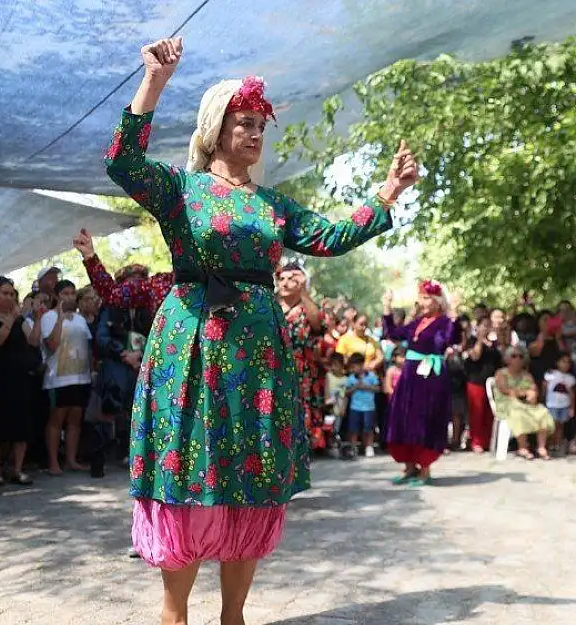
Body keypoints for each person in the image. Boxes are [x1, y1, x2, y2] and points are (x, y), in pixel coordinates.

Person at [108, 37, 417, 625]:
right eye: (241, 122)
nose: (253, 133)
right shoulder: (182, 190)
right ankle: (174, 614)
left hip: (255, 348)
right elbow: (122, 162)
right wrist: (154, 81)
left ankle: (234, 616)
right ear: (214, 129)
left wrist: (386, 195)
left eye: (258, 125)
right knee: (189, 471)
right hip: (193, 342)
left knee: (249, 474)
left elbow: (330, 235)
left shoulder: (274, 205)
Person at [381, 281, 457, 486]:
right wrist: (387, 307)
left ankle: (424, 470)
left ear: (436, 301)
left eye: (425, 298)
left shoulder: (444, 322)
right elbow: (393, 334)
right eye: (420, 297)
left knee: (425, 418)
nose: (421, 302)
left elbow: (447, 340)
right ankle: (409, 468)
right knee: (404, 418)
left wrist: (454, 314)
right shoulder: (417, 322)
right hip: (410, 377)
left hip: (430, 377)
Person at [0, 277, 41, 487]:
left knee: (21, 424)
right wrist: (11, 319)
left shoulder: (19, 320)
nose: (9, 297)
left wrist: (38, 318)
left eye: (12, 293)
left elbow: (32, 341)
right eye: (4, 293)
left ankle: (17, 469)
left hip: (19, 378)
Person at [39, 279, 94, 475]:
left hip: (81, 377)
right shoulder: (48, 318)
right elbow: (51, 345)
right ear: (56, 296)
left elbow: (88, 346)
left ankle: (71, 459)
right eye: (65, 293)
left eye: (72, 293)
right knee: (56, 420)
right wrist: (60, 319)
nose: (69, 297)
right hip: (58, 379)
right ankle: (53, 462)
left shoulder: (80, 319)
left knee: (75, 420)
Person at [276, 262, 329, 450]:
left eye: (291, 279)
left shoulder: (307, 308)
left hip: (301, 371)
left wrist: (304, 291)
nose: (285, 283)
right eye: (281, 278)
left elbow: (319, 326)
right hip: (272, 368)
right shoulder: (270, 304)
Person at [492, 344, 554, 459]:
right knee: (517, 412)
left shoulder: (527, 375)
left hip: (525, 404)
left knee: (543, 412)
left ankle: (541, 447)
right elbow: (504, 390)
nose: (518, 359)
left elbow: (533, 389)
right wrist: (524, 393)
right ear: (507, 358)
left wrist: (533, 394)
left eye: (521, 356)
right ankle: (522, 447)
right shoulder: (501, 373)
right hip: (507, 404)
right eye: (514, 356)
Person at [463, 315, 502, 454]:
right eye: (484, 325)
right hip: (476, 381)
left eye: (488, 325)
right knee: (476, 413)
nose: (486, 328)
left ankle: (487, 441)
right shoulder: (472, 341)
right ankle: (476, 441)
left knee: (489, 413)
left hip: (491, 382)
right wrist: (480, 339)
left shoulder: (494, 344)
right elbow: (475, 356)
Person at [344, 353, 380, 457]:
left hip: (369, 407)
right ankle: (353, 447)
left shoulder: (371, 376)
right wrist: (355, 387)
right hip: (355, 407)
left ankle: (369, 447)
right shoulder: (351, 378)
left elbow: (378, 388)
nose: (353, 369)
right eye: (352, 367)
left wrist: (366, 387)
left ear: (361, 365)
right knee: (353, 429)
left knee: (368, 428)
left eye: (355, 366)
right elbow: (346, 392)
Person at [543, 353, 576, 453]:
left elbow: (572, 394)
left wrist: (572, 407)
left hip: (564, 405)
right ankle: (549, 444)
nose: (566, 364)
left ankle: (557, 444)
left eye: (568, 362)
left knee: (560, 426)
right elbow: (545, 388)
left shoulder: (570, 378)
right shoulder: (550, 374)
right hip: (551, 404)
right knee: (552, 425)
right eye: (563, 361)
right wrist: (543, 400)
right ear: (557, 362)